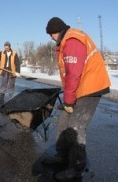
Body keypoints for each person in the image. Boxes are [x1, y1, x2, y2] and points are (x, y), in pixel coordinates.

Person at [43, 17, 111, 181]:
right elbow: (69, 75)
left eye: (51, 34)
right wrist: (69, 97)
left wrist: (68, 100)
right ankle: (62, 156)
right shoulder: (66, 40)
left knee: (75, 127)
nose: (51, 38)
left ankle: (76, 168)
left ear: (56, 32)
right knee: (63, 123)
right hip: (80, 88)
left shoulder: (72, 40)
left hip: (91, 88)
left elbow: (73, 73)